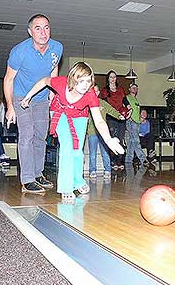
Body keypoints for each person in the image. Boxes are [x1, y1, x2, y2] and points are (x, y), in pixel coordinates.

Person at [21, 62, 124, 201]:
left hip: (80, 116)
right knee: (68, 147)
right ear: (72, 78)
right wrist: (28, 96)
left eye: (88, 81)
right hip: (60, 112)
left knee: (77, 150)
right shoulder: (61, 83)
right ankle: (66, 187)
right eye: (81, 81)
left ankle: (78, 181)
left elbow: (99, 120)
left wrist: (109, 139)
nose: (85, 85)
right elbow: (44, 81)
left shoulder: (90, 94)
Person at [4, 14, 63, 194]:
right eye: (38, 28)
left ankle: (38, 174)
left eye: (46, 27)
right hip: (21, 97)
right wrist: (10, 107)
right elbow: (8, 79)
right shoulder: (19, 51)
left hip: (41, 99)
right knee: (27, 135)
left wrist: (53, 92)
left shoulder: (57, 47)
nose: (43, 32)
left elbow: (54, 68)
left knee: (40, 137)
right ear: (30, 32)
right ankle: (27, 179)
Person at [87, 84, 124, 180]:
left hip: (103, 133)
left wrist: (119, 116)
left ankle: (107, 170)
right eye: (92, 91)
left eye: (96, 91)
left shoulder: (103, 103)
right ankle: (92, 171)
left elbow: (112, 110)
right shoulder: (87, 104)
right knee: (92, 153)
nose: (94, 93)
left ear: (98, 92)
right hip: (92, 132)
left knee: (105, 152)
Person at [100, 70, 127, 170]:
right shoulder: (104, 91)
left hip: (121, 117)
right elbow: (102, 103)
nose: (113, 79)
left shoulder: (120, 89)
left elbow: (125, 101)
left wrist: (129, 108)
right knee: (113, 138)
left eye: (114, 77)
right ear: (108, 79)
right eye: (111, 77)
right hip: (111, 118)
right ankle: (112, 161)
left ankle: (119, 161)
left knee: (120, 139)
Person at [124, 83, 148, 166]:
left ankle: (128, 160)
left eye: (136, 88)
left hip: (137, 123)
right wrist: (128, 117)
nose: (135, 89)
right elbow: (124, 106)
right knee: (136, 141)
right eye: (133, 88)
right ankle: (143, 159)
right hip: (131, 122)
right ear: (129, 89)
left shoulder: (136, 100)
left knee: (131, 142)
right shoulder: (127, 98)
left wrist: (140, 120)